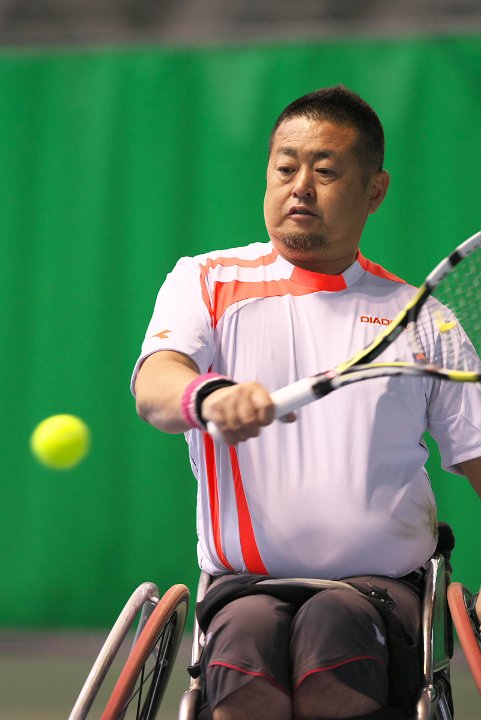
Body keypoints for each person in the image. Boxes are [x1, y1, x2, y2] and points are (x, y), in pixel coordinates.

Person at [132, 86, 481, 720]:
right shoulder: (205, 281)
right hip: (243, 589)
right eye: (285, 168)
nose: (300, 188)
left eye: (325, 171)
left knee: (333, 625)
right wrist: (208, 395)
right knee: (246, 652)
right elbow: (156, 384)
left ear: (374, 190)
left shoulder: (422, 320)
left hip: (381, 594)